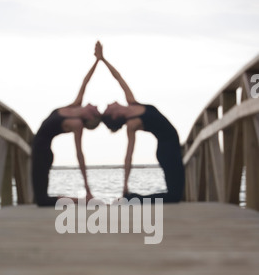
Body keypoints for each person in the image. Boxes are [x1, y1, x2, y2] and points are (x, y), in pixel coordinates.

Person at [95, 41, 185, 203]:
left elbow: (118, 78)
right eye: (107, 108)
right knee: (174, 196)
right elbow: (129, 156)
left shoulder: (132, 102)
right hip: (167, 149)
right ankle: (131, 199)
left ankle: (132, 199)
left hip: (172, 147)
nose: (108, 104)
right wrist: (125, 184)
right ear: (114, 116)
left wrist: (103, 59)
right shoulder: (132, 123)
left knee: (176, 193)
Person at [32, 56, 101, 206]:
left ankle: (82, 201)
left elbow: (79, 154)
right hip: (39, 150)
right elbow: (85, 82)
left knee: (41, 200)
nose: (94, 105)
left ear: (91, 117)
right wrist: (97, 60)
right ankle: (81, 201)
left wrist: (87, 188)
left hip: (42, 152)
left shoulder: (76, 124)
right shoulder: (74, 105)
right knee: (39, 197)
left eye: (95, 109)